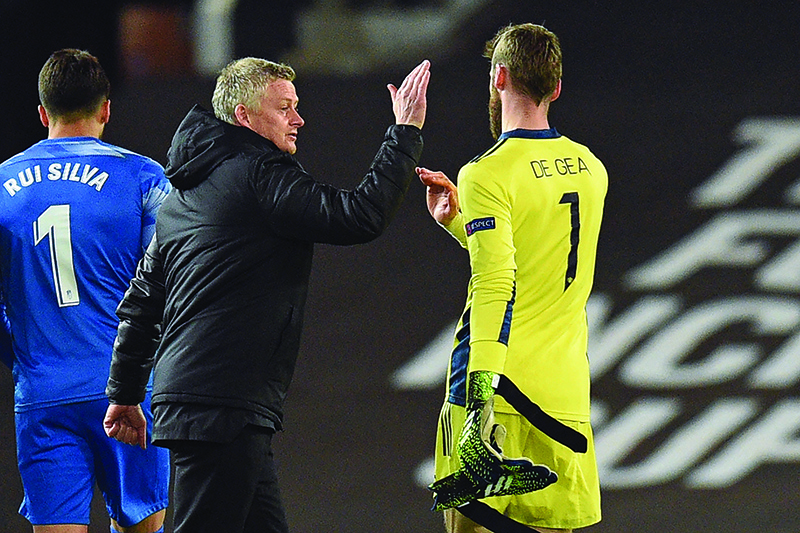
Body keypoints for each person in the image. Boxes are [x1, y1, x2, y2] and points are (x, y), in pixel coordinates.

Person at [102, 56, 429, 532]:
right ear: (245, 116)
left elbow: (142, 302)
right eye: (285, 108)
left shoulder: (180, 194)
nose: (299, 119)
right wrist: (403, 132)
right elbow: (359, 215)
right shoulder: (260, 172)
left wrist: (125, 392)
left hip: (213, 404)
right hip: (222, 405)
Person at [417, 23, 607, 533]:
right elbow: (540, 262)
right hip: (563, 395)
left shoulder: (488, 173)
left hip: (497, 394)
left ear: (499, 77)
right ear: (557, 87)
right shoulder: (591, 167)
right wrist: (460, 223)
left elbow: (498, 283)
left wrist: (479, 398)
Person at [0, 49, 171, 533]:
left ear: (41, 112)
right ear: (106, 109)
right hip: (126, 391)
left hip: (42, 392)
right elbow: (166, 285)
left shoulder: (1, 183)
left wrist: (25, 360)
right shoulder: (143, 179)